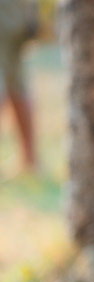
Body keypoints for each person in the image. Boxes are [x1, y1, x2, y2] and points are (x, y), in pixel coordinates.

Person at [0, 0, 38, 174]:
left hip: (10, 14)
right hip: (17, 15)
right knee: (18, 84)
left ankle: (30, 161)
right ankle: (30, 161)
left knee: (16, 84)